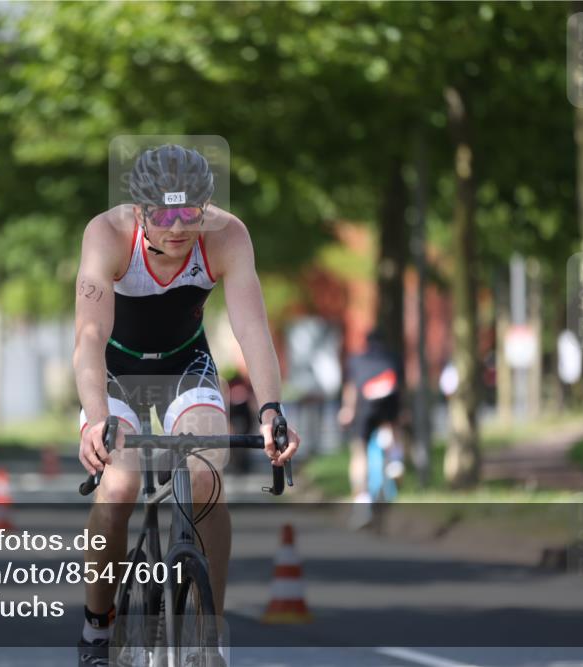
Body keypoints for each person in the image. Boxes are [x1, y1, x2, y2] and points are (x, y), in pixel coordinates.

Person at [73, 144, 300, 665]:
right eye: (164, 214)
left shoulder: (227, 235)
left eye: (191, 213)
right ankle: (96, 628)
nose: (178, 228)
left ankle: (211, 632)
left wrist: (271, 411)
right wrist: (97, 419)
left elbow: (251, 329)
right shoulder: (106, 235)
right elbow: (88, 337)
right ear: (138, 211)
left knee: (205, 475)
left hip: (183, 364)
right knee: (121, 483)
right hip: (115, 370)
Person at [338, 328, 404, 510]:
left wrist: (347, 410)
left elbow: (351, 388)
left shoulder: (356, 360)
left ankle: (362, 496)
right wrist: (403, 412)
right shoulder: (394, 357)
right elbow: (400, 388)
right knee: (391, 428)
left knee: (360, 451)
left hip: (364, 407)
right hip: (389, 404)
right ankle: (396, 461)